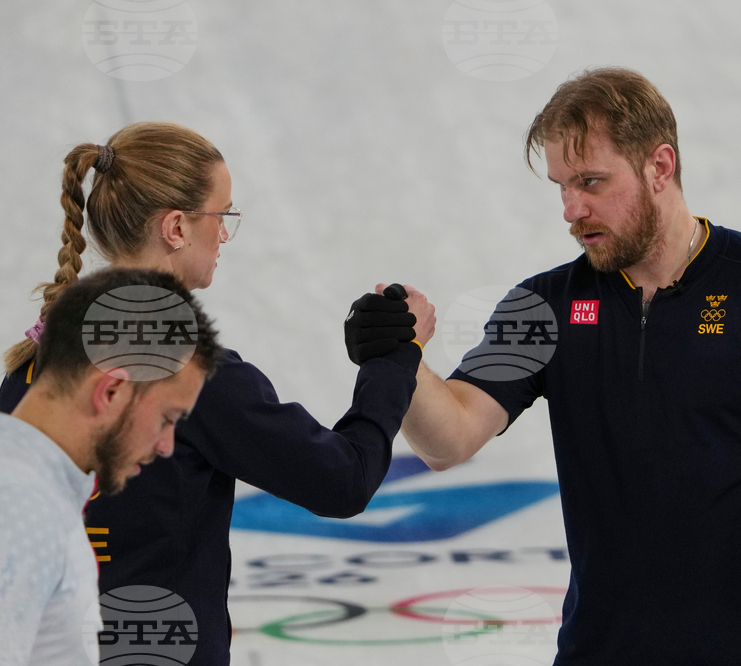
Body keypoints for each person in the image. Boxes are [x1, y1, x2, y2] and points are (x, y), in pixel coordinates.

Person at [392, 68, 741, 665]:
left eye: (592, 182)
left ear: (660, 166)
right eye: (562, 187)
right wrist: (401, 358)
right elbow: (447, 441)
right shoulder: (542, 307)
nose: (572, 210)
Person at [0, 122, 435, 666]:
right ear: (176, 227)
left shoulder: (34, 362)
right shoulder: (190, 375)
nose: (225, 235)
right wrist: (396, 358)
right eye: (222, 215)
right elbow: (343, 481)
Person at [0, 268, 221, 666]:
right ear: (112, 390)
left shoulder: (34, 492)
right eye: (168, 418)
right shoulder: (21, 511)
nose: (167, 446)